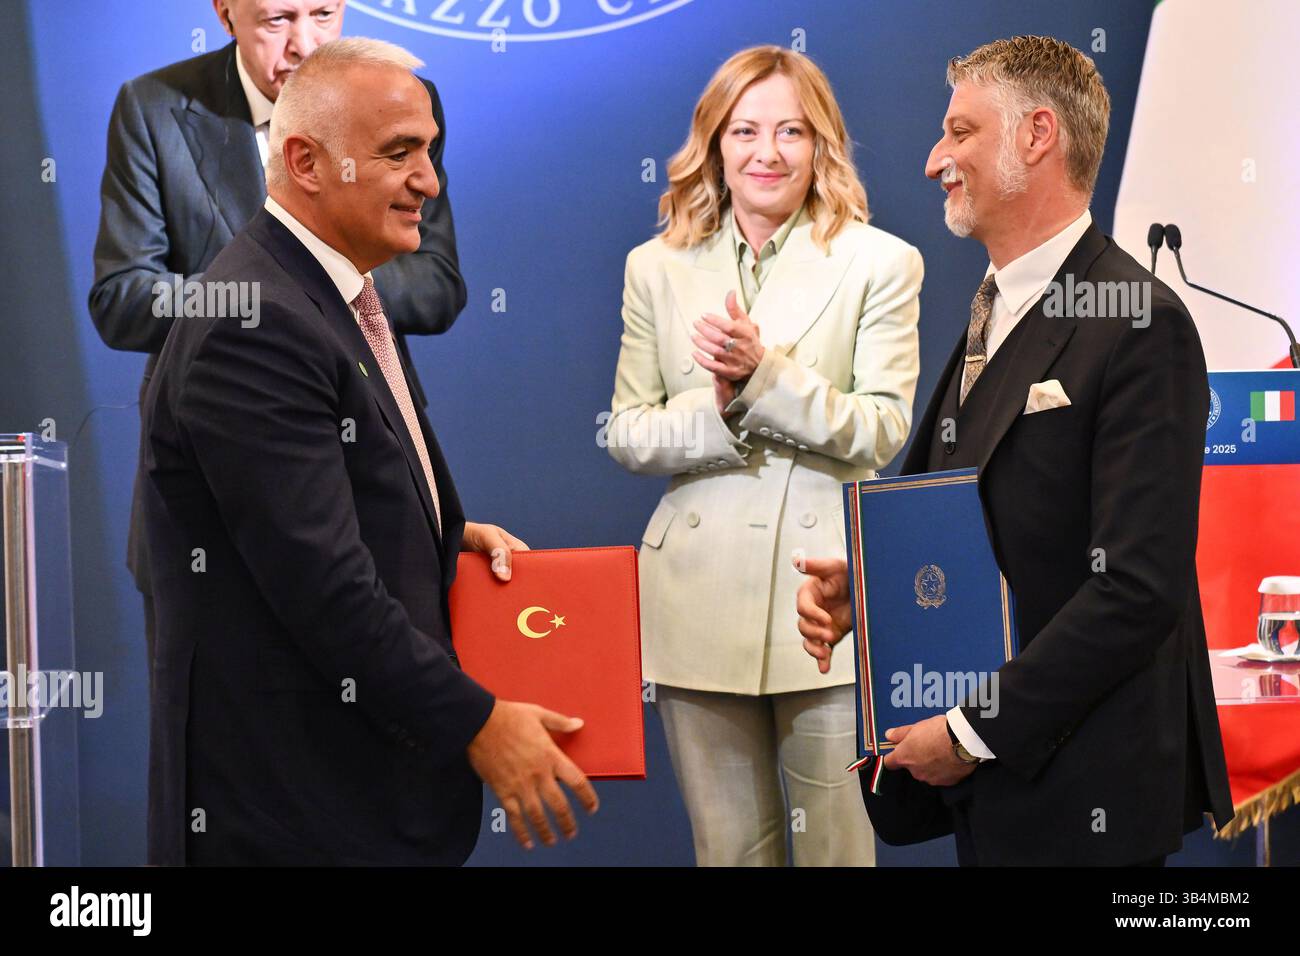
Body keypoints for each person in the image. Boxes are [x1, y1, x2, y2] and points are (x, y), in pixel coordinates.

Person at [141, 37, 596, 865]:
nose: (431, 179)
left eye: (429, 149)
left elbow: (308, 510)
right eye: (399, 153)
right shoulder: (257, 324)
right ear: (307, 162)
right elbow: (323, 587)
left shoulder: (331, 291)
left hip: (355, 802)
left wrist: (438, 537)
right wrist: (480, 721)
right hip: (294, 818)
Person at [797, 35, 1234, 866]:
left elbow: (1138, 589)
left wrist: (969, 731)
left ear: (1038, 135)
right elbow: (985, 510)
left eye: (960, 133)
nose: (934, 160)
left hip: (1084, 797)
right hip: (997, 799)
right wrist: (878, 594)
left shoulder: (1142, 321)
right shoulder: (989, 307)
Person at [607, 45, 922, 866]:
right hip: (692, 598)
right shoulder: (657, 267)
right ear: (714, 144)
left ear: (822, 144)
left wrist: (764, 379)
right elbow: (627, 431)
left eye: (791, 130)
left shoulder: (880, 261)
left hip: (825, 602)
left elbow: (883, 428)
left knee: (839, 854)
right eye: (745, 130)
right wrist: (716, 411)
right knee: (729, 855)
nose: (767, 153)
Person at [90, 0, 466, 670]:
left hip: (377, 471)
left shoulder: (403, 100)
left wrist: (314, 280)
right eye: (276, 20)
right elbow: (123, 298)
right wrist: (270, 291)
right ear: (226, 12)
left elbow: (435, 283)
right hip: (209, 495)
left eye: (323, 14)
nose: (303, 43)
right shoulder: (152, 107)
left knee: (393, 711)